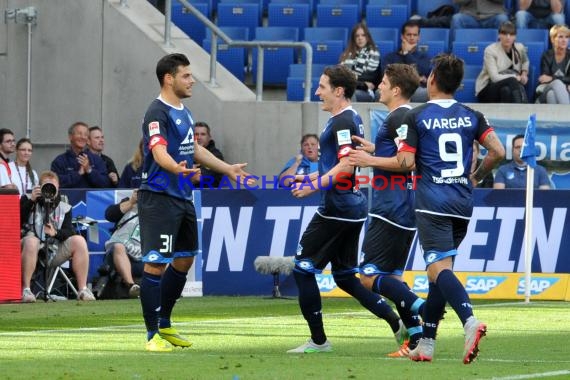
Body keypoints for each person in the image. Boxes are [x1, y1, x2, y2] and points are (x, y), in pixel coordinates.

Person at [287, 64, 408, 354]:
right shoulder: (346, 119)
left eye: (322, 87)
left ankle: (318, 341)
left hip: (337, 209)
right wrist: (311, 177)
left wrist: (314, 186)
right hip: (351, 207)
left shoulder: (342, 121)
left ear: (339, 91)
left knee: (303, 269)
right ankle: (395, 322)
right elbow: (339, 166)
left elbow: (346, 166)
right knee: (344, 276)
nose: (318, 92)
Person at [138, 53, 254, 352]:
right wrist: (174, 167)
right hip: (160, 197)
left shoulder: (184, 112)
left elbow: (195, 150)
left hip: (183, 197)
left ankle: (164, 323)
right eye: (187, 75)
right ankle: (152, 336)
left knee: (185, 258)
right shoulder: (157, 112)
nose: (193, 81)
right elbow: (158, 150)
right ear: (169, 78)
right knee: (155, 265)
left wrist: (226, 168)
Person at [396, 53, 506, 363]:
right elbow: (497, 151)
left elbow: (404, 162)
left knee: (438, 270)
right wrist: (477, 176)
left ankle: (469, 322)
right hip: (461, 202)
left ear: (431, 80)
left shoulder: (415, 117)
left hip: (432, 202)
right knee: (438, 277)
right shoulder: (472, 115)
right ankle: (427, 343)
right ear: (458, 85)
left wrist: (372, 159)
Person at [347, 63, 425, 357]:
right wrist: (373, 150)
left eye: (383, 82)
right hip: (401, 207)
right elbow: (400, 155)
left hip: (390, 208)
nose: (377, 86)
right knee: (391, 278)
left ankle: (425, 308)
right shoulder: (401, 117)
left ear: (395, 89)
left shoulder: (401, 116)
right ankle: (416, 340)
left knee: (368, 275)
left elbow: (408, 161)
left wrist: (370, 161)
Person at [20, 170, 96, 303]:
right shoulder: (28, 198)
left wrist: (55, 233)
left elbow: (69, 231)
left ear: (58, 187)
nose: (49, 189)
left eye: (52, 186)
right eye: (46, 186)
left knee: (79, 240)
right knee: (32, 241)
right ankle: (26, 289)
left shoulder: (64, 206)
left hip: (53, 250)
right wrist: (32, 201)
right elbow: (16, 221)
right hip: (28, 247)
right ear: (39, 186)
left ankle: (83, 289)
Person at [476, 21, 530, 103]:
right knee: (511, 81)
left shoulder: (520, 47)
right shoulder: (490, 50)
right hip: (487, 89)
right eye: (504, 34)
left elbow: (525, 61)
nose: (508, 37)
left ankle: (511, 113)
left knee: (506, 90)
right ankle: (521, 107)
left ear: (515, 37)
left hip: (507, 89)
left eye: (511, 35)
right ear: (499, 35)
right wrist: (514, 77)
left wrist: (524, 74)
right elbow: (494, 78)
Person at [103, 189, 142, 298]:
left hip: (144, 256)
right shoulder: (128, 202)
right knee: (119, 246)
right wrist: (131, 202)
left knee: (165, 251)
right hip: (118, 254)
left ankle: (171, 289)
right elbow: (109, 214)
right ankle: (131, 287)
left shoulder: (159, 207)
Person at [382, 20, 431, 103]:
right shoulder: (390, 57)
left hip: (416, 90)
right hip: (395, 88)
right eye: (408, 34)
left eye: (415, 35)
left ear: (418, 37)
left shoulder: (424, 57)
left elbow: (424, 71)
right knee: (379, 92)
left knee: (423, 93)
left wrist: (407, 53)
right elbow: (386, 75)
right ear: (402, 36)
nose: (412, 38)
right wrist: (416, 78)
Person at [51, 122, 111, 188]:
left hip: (91, 198)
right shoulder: (59, 161)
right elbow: (55, 183)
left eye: (85, 135)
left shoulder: (97, 159)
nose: (83, 137)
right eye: (79, 134)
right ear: (70, 137)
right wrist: (78, 174)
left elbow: (106, 184)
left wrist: (89, 170)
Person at [339, 22, 382, 102]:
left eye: (363, 35)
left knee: (350, 94)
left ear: (367, 37)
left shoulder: (374, 54)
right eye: (357, 36)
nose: (360, 38)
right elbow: (341, 77)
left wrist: (353, 78)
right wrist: (362, 84)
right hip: (351, 88)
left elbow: (373, 77)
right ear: (353, 38)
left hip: (366, 91)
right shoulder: (346, 55)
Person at [536, 24, 570, 104]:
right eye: (560, 37)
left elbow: (549, 78)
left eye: (567, 37)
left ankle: (561, 116)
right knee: (557, 83)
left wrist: (552, 78)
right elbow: (544, 79)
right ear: (552, 39)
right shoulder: (546, 56)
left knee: (551, 95)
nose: (564, 40)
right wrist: (557, 81)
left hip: (563, 92)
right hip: (546, 89)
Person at [193, 121, 224, 187]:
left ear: (209, 137)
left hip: (208, 194)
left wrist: (189, 170)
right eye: (196, 134)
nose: (199, 137)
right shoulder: (186, 154)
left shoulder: (216, 155)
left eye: (203, 134)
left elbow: (203, 178)